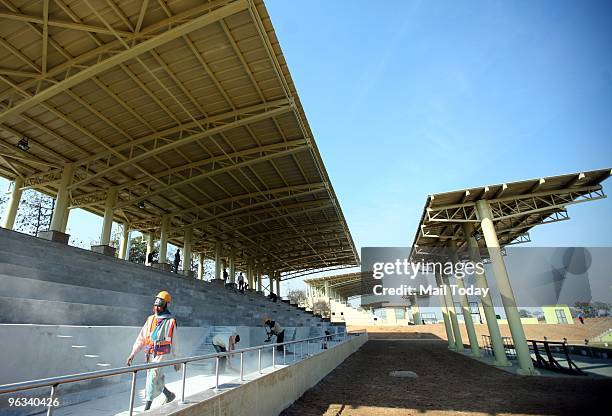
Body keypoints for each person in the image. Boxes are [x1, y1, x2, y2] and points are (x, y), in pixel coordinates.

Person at [126, 291, 179, 411]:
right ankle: (169, 395)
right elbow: (142, 338)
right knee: (156, 378)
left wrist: (177, 361)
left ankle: (146, 409)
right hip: (149, 354)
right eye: (155, 305)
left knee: (151, 379)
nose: (156, 308)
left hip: (161, 354)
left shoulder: (171, 322)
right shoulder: (150, 319)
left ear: (165, 305)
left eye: (159, 305)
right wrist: (132, 353)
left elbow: (175, 343)